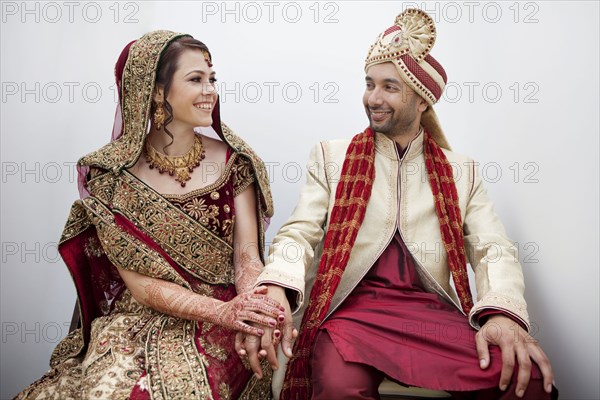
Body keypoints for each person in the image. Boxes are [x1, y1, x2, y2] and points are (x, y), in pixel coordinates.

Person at [238, 8, 558, 400]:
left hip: (429, 316)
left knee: (530, 384)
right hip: (346, 315)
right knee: (339, 388)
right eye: (370, 84)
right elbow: (299, 233)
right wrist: (276, 289)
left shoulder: (462, 172)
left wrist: (503, 315)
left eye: (389, 87)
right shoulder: (331, 157)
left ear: (422, 100)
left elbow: (493, 248)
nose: (373, 97)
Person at [15, 30, 284, 400]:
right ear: (156, 91)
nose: (210, 90)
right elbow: (142, 286)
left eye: (212, 79)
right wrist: (225, 313)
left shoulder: (233, 163)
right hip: (136, 320)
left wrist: (252, 313)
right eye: (195, 79)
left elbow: (246, 257)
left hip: (222, 317)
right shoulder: (111, 178)